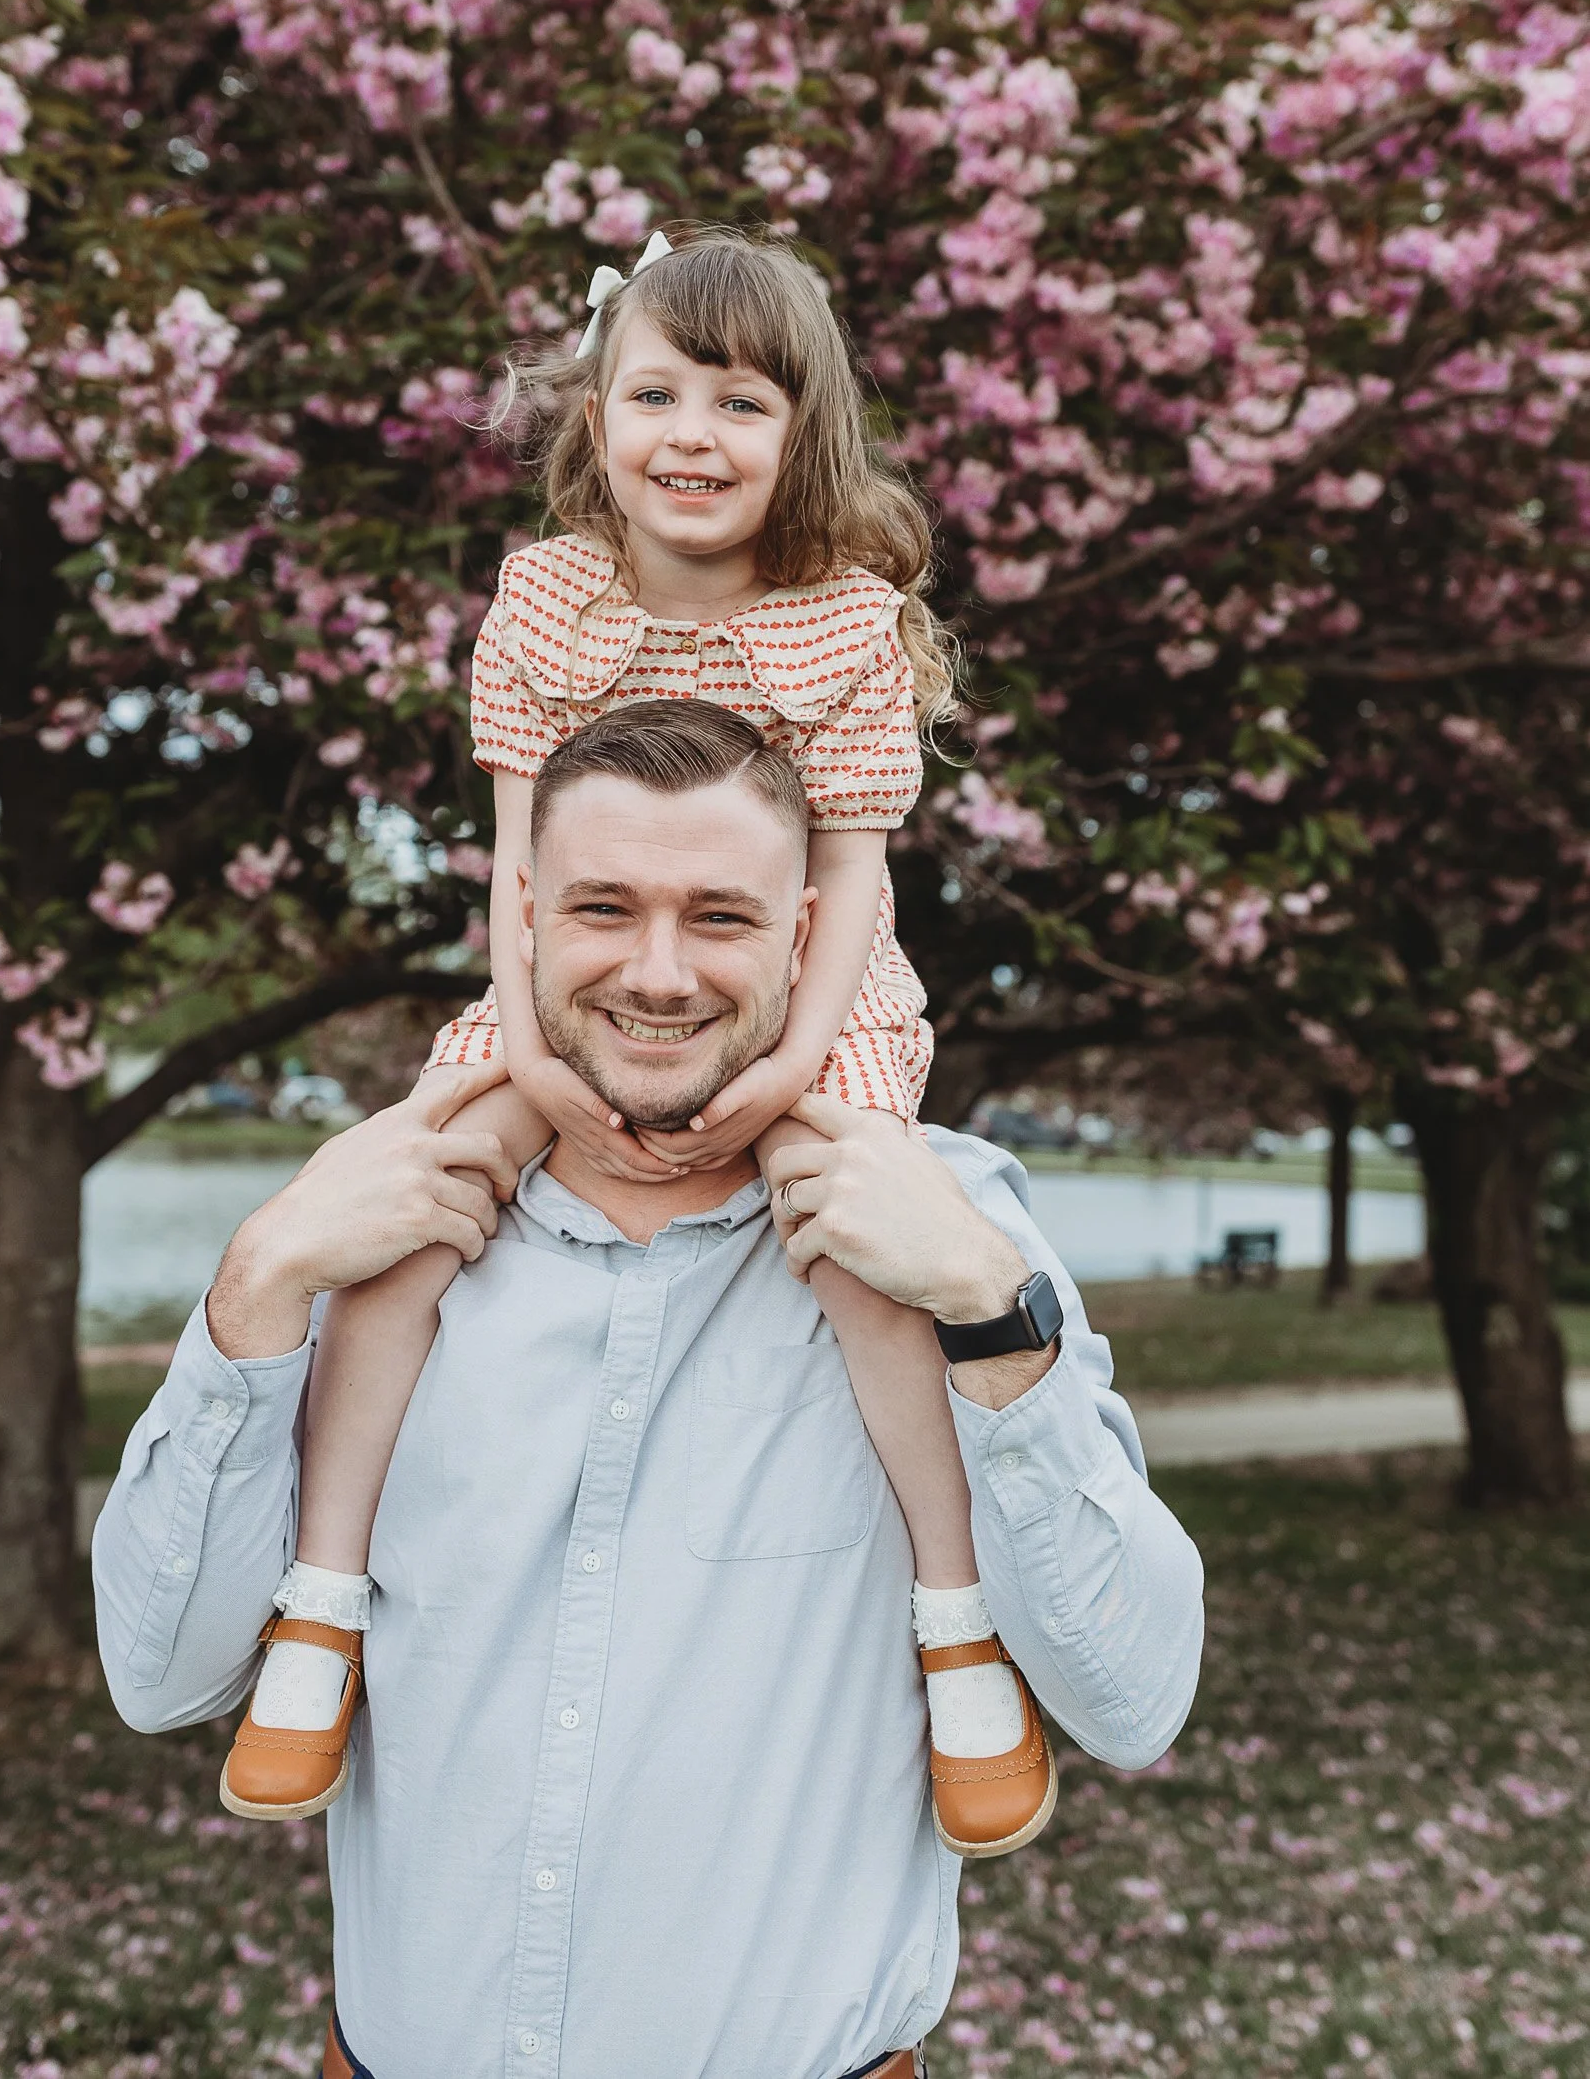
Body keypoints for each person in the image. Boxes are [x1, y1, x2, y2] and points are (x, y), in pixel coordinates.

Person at [93, 699, 1205, 2079]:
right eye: (604, 908)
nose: (660, 974)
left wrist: (986, 1306)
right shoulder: (368, 1222)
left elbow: (1129, 1703)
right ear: (525, 916)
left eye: (721, 917)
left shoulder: (948, 1227)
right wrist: (258, 1282)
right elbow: (160, 1680)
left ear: (807, 934)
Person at [221, 225, 1050, 1851]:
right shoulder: (545, 599)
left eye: (741, 402)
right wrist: (529, 1059)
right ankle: (321, 1604)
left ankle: (954, 1624)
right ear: (595, 417)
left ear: (802, 434)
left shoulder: (839, 622)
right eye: (657, 393)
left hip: (805, 986)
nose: (693, 435)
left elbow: (849, 871)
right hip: (570, 978)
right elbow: (516, 863)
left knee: (862, 1242)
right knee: (412, 1206)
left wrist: (790, 1070)